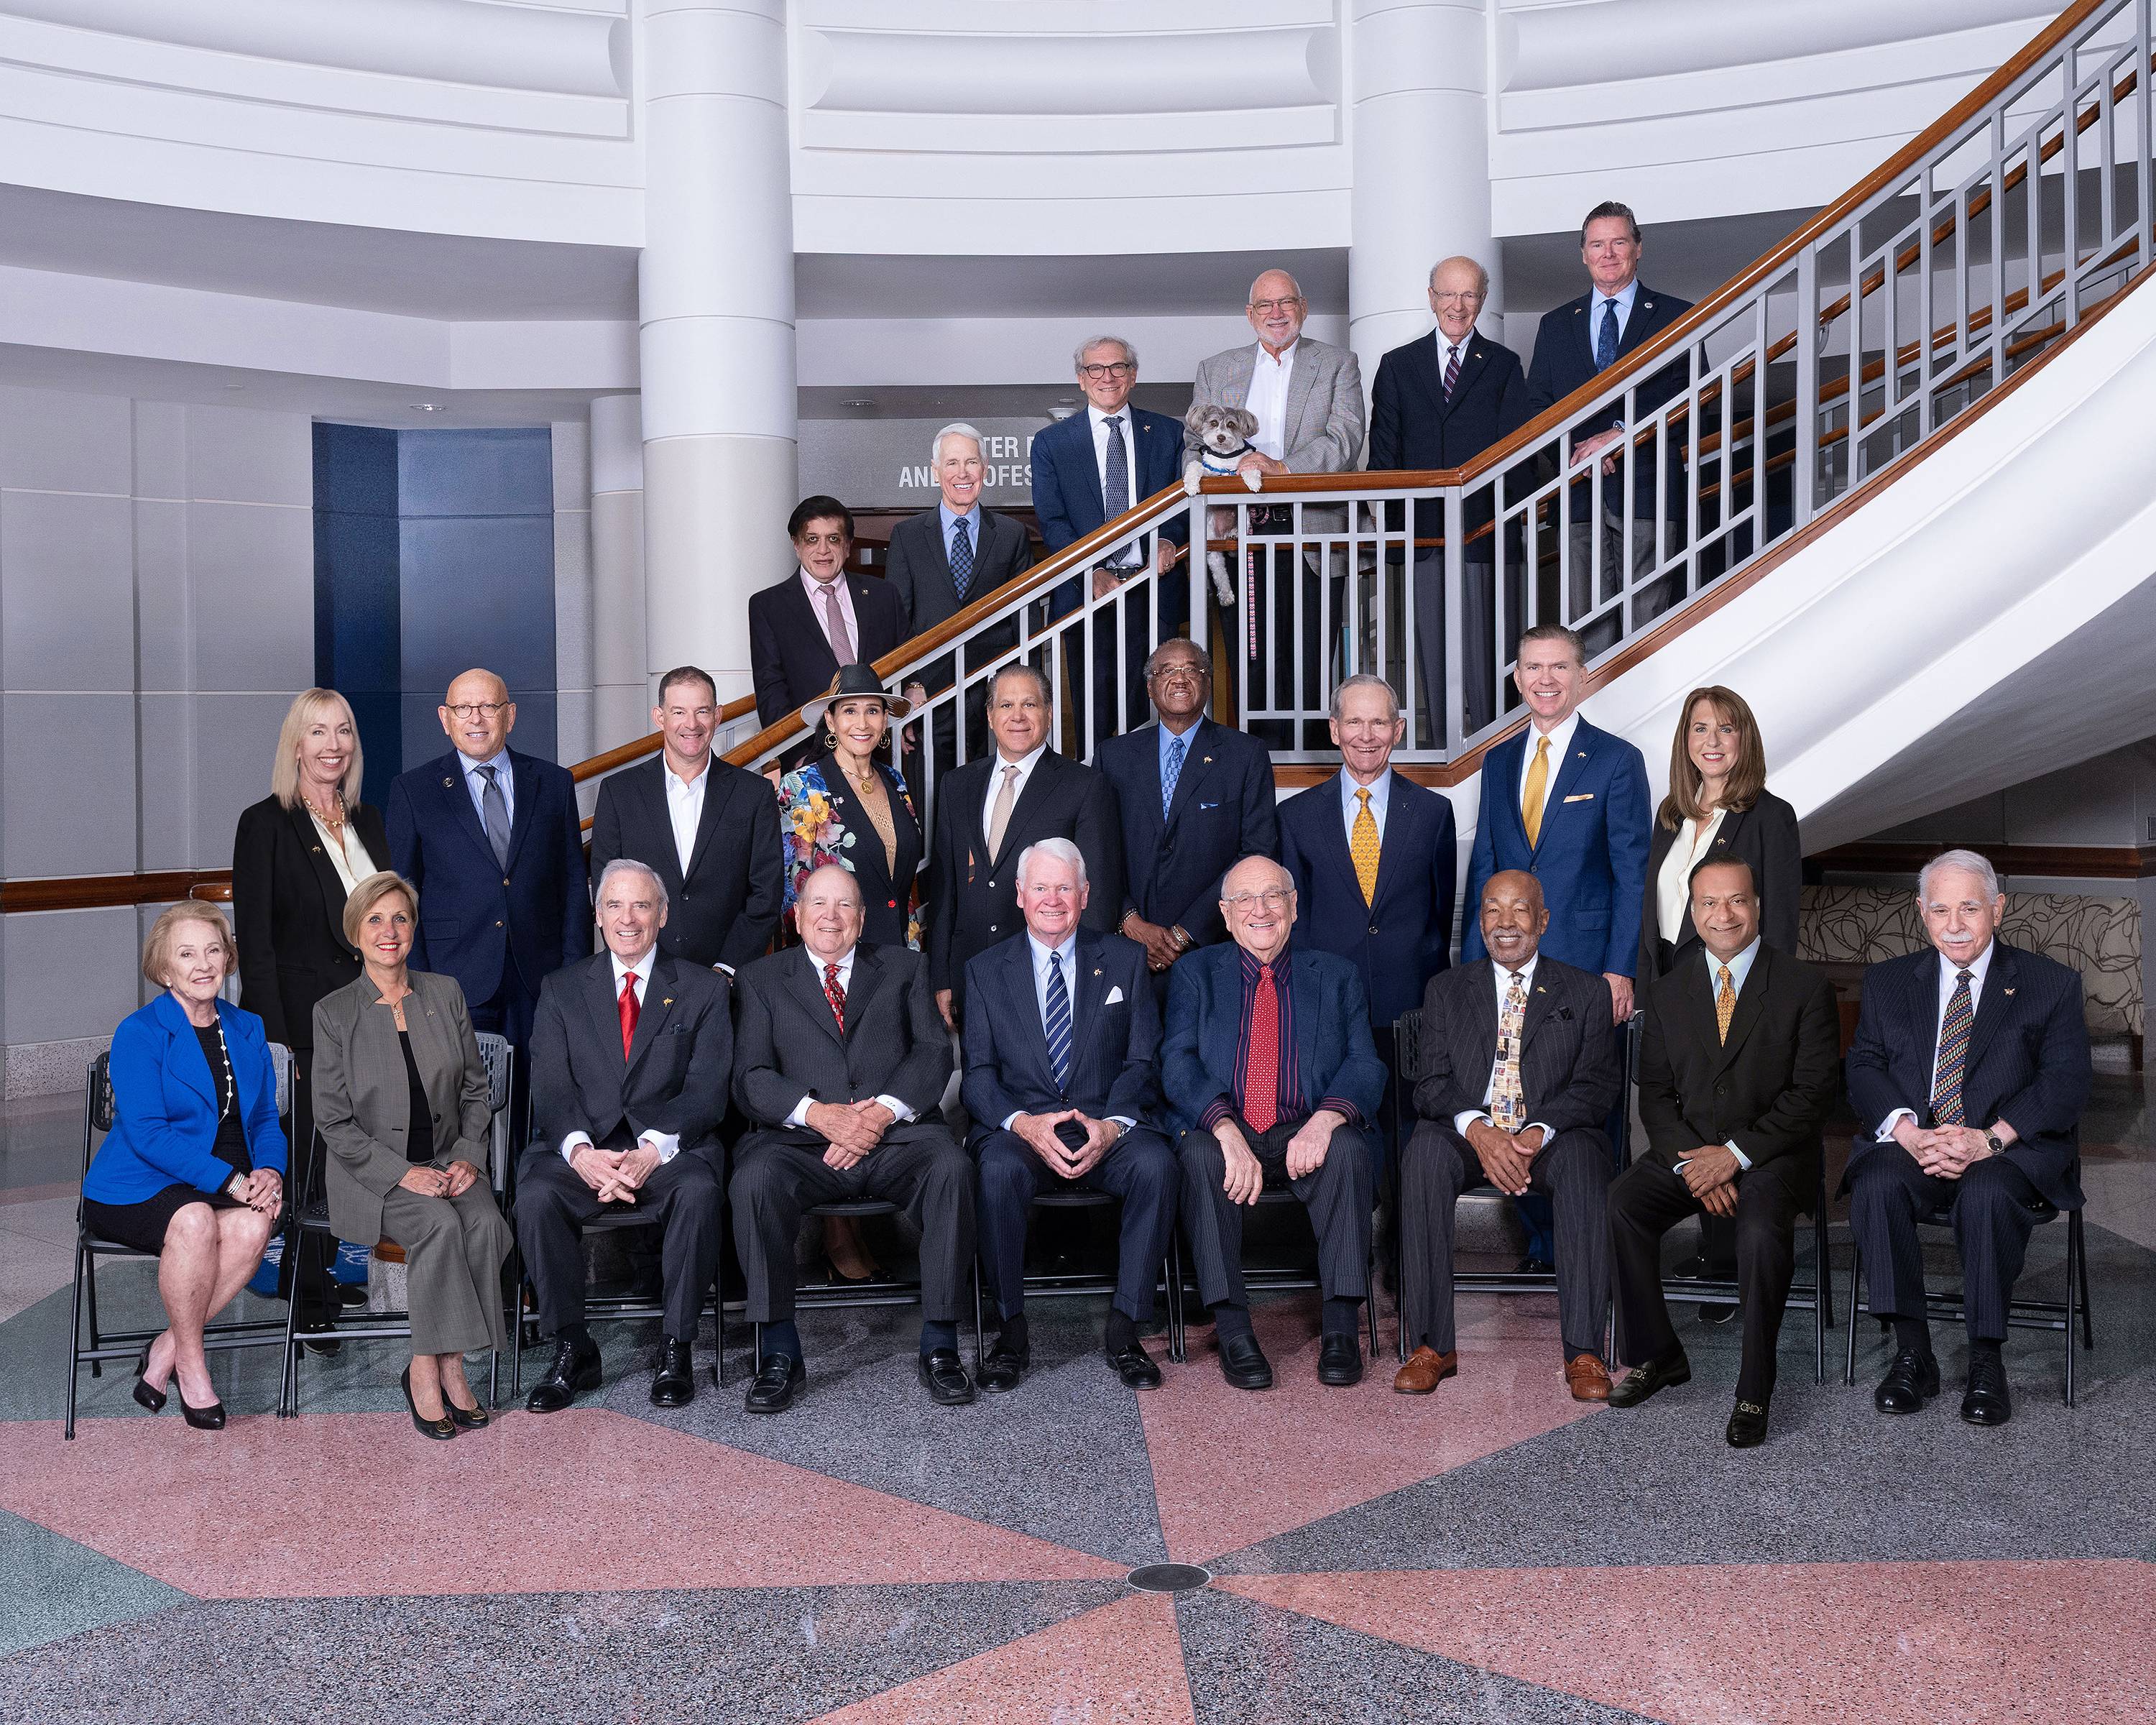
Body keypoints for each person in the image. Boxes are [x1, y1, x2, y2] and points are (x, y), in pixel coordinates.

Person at [1843, 849, 2090, 1428]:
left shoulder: (2048, 984)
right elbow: (1864, 1066)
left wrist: (1990, 1140)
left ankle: (1986, 1360)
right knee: (1876, 1182)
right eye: (1940, 910)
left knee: (1986, 1195)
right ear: (1922, 914)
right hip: (1918, 1142)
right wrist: (1905, 1133)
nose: (1954, 924)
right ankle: (1914, 1353)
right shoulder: (1888, 982)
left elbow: (2067, 1082)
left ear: (1997, 910)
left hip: (2005, 1148)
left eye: (1970, 908)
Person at [1606, 858, 1840, 1446]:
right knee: (1624, 1204)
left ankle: (1755, 1390)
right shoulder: (1666, 992)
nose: (1724, 915)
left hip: (1773, 1153)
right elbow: (1655, 1096)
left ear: (1758, 906)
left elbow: (1811, 1096)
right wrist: (1696, 1162)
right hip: (1690, 1152)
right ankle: (1659, 1355)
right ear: (1692, 913)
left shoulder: (1804, 987)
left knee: (1759, 1233)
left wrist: (1733, 1157)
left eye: (1737, 901)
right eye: (1709, 903)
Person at [729, 865, 977, 1412]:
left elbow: (933, 1053)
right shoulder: (761, 979)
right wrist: (818, 1114)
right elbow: (751, 1076)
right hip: (801, 1144)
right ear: (797, 916)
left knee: (951, 1169)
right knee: (753, 1177)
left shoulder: (905, 968)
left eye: (845, 905)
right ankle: (777, 1352)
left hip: (895, 1138)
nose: (831, 916)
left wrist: (881, 1114)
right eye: (818, 903)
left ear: (862, 919)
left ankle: (940, 1344)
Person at [1462, 623, 1650, 1269]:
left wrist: (1619, 970)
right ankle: (1542, 1247)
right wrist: (1469, 974)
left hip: (1586, 967)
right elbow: (1484, 869)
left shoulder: (1617, 760)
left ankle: (1593, 1249)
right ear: (1517, 678)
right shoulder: (1498, 762)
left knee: (1587, 1108)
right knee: (1517, 1096)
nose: (1545, 680)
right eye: (1533, 668)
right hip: (1510, 968)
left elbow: (1632, 874)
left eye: (1559, 668)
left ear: (1583, 676)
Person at [1162, 856, 1387, 1391]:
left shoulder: (1336, 975)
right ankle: (1234, 1328)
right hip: (1228, 1126)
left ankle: (1340, 1327)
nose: (1259, 909)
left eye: (1272, 896)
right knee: (1196, 1154)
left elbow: (1364, 1062)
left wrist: (1326, 1121)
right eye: (1245, 898)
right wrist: (1223, 1127)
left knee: (1350, 1149)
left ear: (1292, 906)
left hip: (1302, 1126)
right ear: (1225, 913)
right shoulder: (1195, 973)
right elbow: (1177, 1061)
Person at [517, 860, 733, 1412]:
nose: (628, 919)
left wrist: (650, 1151)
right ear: (597, 915)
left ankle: (676, 1345)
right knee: (537, 1193)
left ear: (662, 914)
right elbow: (550, 1086)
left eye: (641, 905)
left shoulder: (703, 989)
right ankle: (572, 1347)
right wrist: (582, 1152)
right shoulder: (562, 989)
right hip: (584, 1151)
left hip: (667, 1148)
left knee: (700, 1192)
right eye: (615, 905)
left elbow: (708, 1089)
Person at [1395, 870, 1619, 1403]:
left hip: (1552, 1139)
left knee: (1588, 1164)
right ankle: (1432, 1347)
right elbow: (1430, 1087)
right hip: (1471, 1136)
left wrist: (1535, 1132)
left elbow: (1597, 1087)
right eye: (1493, 910)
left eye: (1519, 910)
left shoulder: (1585, 992)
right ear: (1480, 922)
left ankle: (1584, 1351)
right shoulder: (1448, 989)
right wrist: (1479, 1130)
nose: (1505, 923)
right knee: (1423, 1154)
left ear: (1543, 920)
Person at [964, 840, 1177, 1391]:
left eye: (1065, 888)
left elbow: (1142, 1059)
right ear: (1019, 895)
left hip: (1110, 1124)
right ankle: (1010, 1330)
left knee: (1158, 1166)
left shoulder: (1126, 960)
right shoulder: (985, 970)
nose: (1052, 899)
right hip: (1025, 1129)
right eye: (1040, 887)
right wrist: (1025, 1126)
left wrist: (1112, 1127)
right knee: (996, 1172)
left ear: (1085, 896)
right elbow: (980, 1076)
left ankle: (1126, 1328)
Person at [310, 872, 512, 1440]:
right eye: (375, 919)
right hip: (374, 1174)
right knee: (440, 1228)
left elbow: (476, 1089)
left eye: (400, 917)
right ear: (356, 932)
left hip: (451, 1160)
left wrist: (469, 1154)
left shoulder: (443, 993)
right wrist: (404, 1174)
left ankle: (440, 1361)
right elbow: (333, 1120)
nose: (389, 930)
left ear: (414, 927)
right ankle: (432, 1370)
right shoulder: (334, 1012)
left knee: (488, 1227)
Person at [83, 903, 285, 1430]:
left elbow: (264, 1116)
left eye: (214, 950)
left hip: (222, 1174)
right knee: (194, 1219)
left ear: (228, 958)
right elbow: (149, 1135)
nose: (203, 964)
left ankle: (167, 1348)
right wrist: (234, 1181)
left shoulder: (246, 1026)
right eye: (187, 953)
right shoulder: (140, 1032)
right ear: (165, 968)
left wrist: (269, 1173)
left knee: (253, 1223)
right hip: (137, 1182)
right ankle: (193, 1370)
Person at [231, 686, 387, 1343]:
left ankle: (331, 1268)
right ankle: (307, 1291)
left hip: (369, 1015)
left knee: (350, 1149)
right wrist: (270, 1040)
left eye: (343, 731)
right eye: (318, 732)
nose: (333, 744)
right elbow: (256, 942)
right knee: (302, 1157)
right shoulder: (264, 823)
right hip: (297, 1022)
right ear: (296, 744)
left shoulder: (369, 821)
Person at [1639, 684, 1803, 1302]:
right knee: (1682, 1114)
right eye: (1700, 729)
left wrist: (1769, 1007)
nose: (1713, 741)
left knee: (1727, 1113)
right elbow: (1652, 913)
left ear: (1745, 740)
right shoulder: (1670, 815)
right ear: (1685, 741)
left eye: (1726, 729)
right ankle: (1712, 1252)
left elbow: (1780, 922)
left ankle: (1727, 1268)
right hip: (1671, 996)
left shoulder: (1770, 815)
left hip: (1736, 993)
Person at [386, 666, 589, 1149]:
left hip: (538, 980)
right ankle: (472, 1219)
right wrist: (416, 987)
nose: (477, 718)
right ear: (445, 718)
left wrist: (573, 976)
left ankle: (524, 1215)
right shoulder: (414, 791)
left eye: (489, 707)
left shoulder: (554, 784)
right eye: (464, 708)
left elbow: (572, 889)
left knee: (537, 1111)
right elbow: (399, 899)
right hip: (453, 982)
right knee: (459, 1115)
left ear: (510, 715)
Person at [1188, 269, 1366, 742]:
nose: (1276, 313)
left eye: (1286, 303)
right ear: (1250, 315)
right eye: (1265, 306)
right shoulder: (1216, 369)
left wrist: (1281, 468)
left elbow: (1345, 440)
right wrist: (1213, 491)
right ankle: (1255, 761)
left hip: (1313, 531)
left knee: (1309, 655)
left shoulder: (1336, 364)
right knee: (1251, 656)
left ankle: (1306, 768)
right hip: (1238, 533)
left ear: (1303, 309)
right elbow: (1191, 447)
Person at [1278, 674, 1457, 1136]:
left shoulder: (1434, 813)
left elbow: (1439, 910)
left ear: (1398, 731)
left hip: (1409, 1002)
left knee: (1409, 1131)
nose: (1367, 735)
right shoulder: (1295, 817)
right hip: (1325, 1002)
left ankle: (1401, 1213)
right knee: (1332, 1133)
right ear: (1334, 730)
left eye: (1379, 723)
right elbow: (1291, 919)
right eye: (1354, 722)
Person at [1368, 256, 1529, 738]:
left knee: (1489, 659)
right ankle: (1445, 751)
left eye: (1469, 295)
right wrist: (1402, 530)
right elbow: (1384, 459)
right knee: (1432, 658)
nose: (1458, 306)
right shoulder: (1398, 365)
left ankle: (1492, 750)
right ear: (1432, 297)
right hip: (1422, 538)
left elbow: (1517, 454)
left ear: (1482, 299)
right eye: (1448, 295)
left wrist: (1499, 521)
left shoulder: (1503, 365)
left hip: (1485, 535)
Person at [1523, 201, 1695, 643]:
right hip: (1579, 491)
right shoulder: (1556, 325)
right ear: (1583, 254)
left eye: (1619, 242)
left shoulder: (1677, 317)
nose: (1609, 253)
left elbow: (1690, 400)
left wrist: (1619, 436)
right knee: (1586, 626)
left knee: (1648, 621)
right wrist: (1577, 452)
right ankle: (1599, 711)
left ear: (1638, 248)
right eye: (1598, 244)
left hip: (1648, 489)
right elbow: (1538, 410)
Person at [926, 663, 1125, 1026]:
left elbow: (1096, 896)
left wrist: (1083, 980)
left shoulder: (1084, 786)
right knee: (978, 1082)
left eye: (1030, 705)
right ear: (989, 716)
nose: (1017, 716)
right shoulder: (957, 785)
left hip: (1048, 978)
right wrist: (942, 975)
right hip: (971, 974)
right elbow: (945, 891)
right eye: (1006, 706)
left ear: (1048, 713)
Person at [1030, 338, 1188, 753]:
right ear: (1081, 380)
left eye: (1118, 367)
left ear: (1133, 375)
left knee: (1161, 711)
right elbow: (1053, 520)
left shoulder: (1170, 432)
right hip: (1089, 594)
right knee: (1095, 712)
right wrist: (1090, 571)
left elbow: (1189, 500)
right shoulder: (1052, 443)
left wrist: (1171, 538)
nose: (1108, 377)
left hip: (1155, 586)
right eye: (1096, 369)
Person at [1094, 640, 1278, 990]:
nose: (1180, 679)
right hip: (1126, 954)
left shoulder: (1245, 755)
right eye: (1167, 670)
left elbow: (1256, 853)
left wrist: (1186, 931)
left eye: (1192, 670)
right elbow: (1099, 852)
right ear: (1149, 687)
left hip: (1211, 954)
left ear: (1208, 684)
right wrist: (1129, 920)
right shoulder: (1113, 757)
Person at [589, 663, 783, 976]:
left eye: (702, 712)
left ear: (718, 716)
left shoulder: (754, 794)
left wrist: (727, 968)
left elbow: (766, 894)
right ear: (659, 717)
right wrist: (633, 958)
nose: (691, 724)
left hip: (727, 978)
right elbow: (606, 889)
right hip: (644, 974)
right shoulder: (619, 792)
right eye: (679, 712)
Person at [886, 423, 1034, 763]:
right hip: (929, 692)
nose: (962, 473)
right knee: (933, 796)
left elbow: (1024, 621)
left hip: (996, 693)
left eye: (971, 462)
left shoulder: (1011, 534)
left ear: (985, 469)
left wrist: (1025, 691)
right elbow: (898, 621)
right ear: (936, 472)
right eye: (952, 463)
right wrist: (907, 687)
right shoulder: (907, 536)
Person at [778, 665, 925, 952]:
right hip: (838, 960)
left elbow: (900, 885)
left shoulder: (896, 781)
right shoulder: (803, 787)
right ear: (830, 721)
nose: (862, 723)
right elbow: (793, 892)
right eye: (849, 711)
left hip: (902, 954)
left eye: (872, 711)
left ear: (884, 721)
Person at [747, 497, 907, 733]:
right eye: (812, 540)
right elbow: (771, 688)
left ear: (848, 544)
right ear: (796, 545)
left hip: (880, 739)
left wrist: (912, 694)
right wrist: (795, 754)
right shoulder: (769, 606)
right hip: (811, 748)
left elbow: (907, 659)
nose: (823, 550)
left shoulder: (883, 594)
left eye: (833, 539)